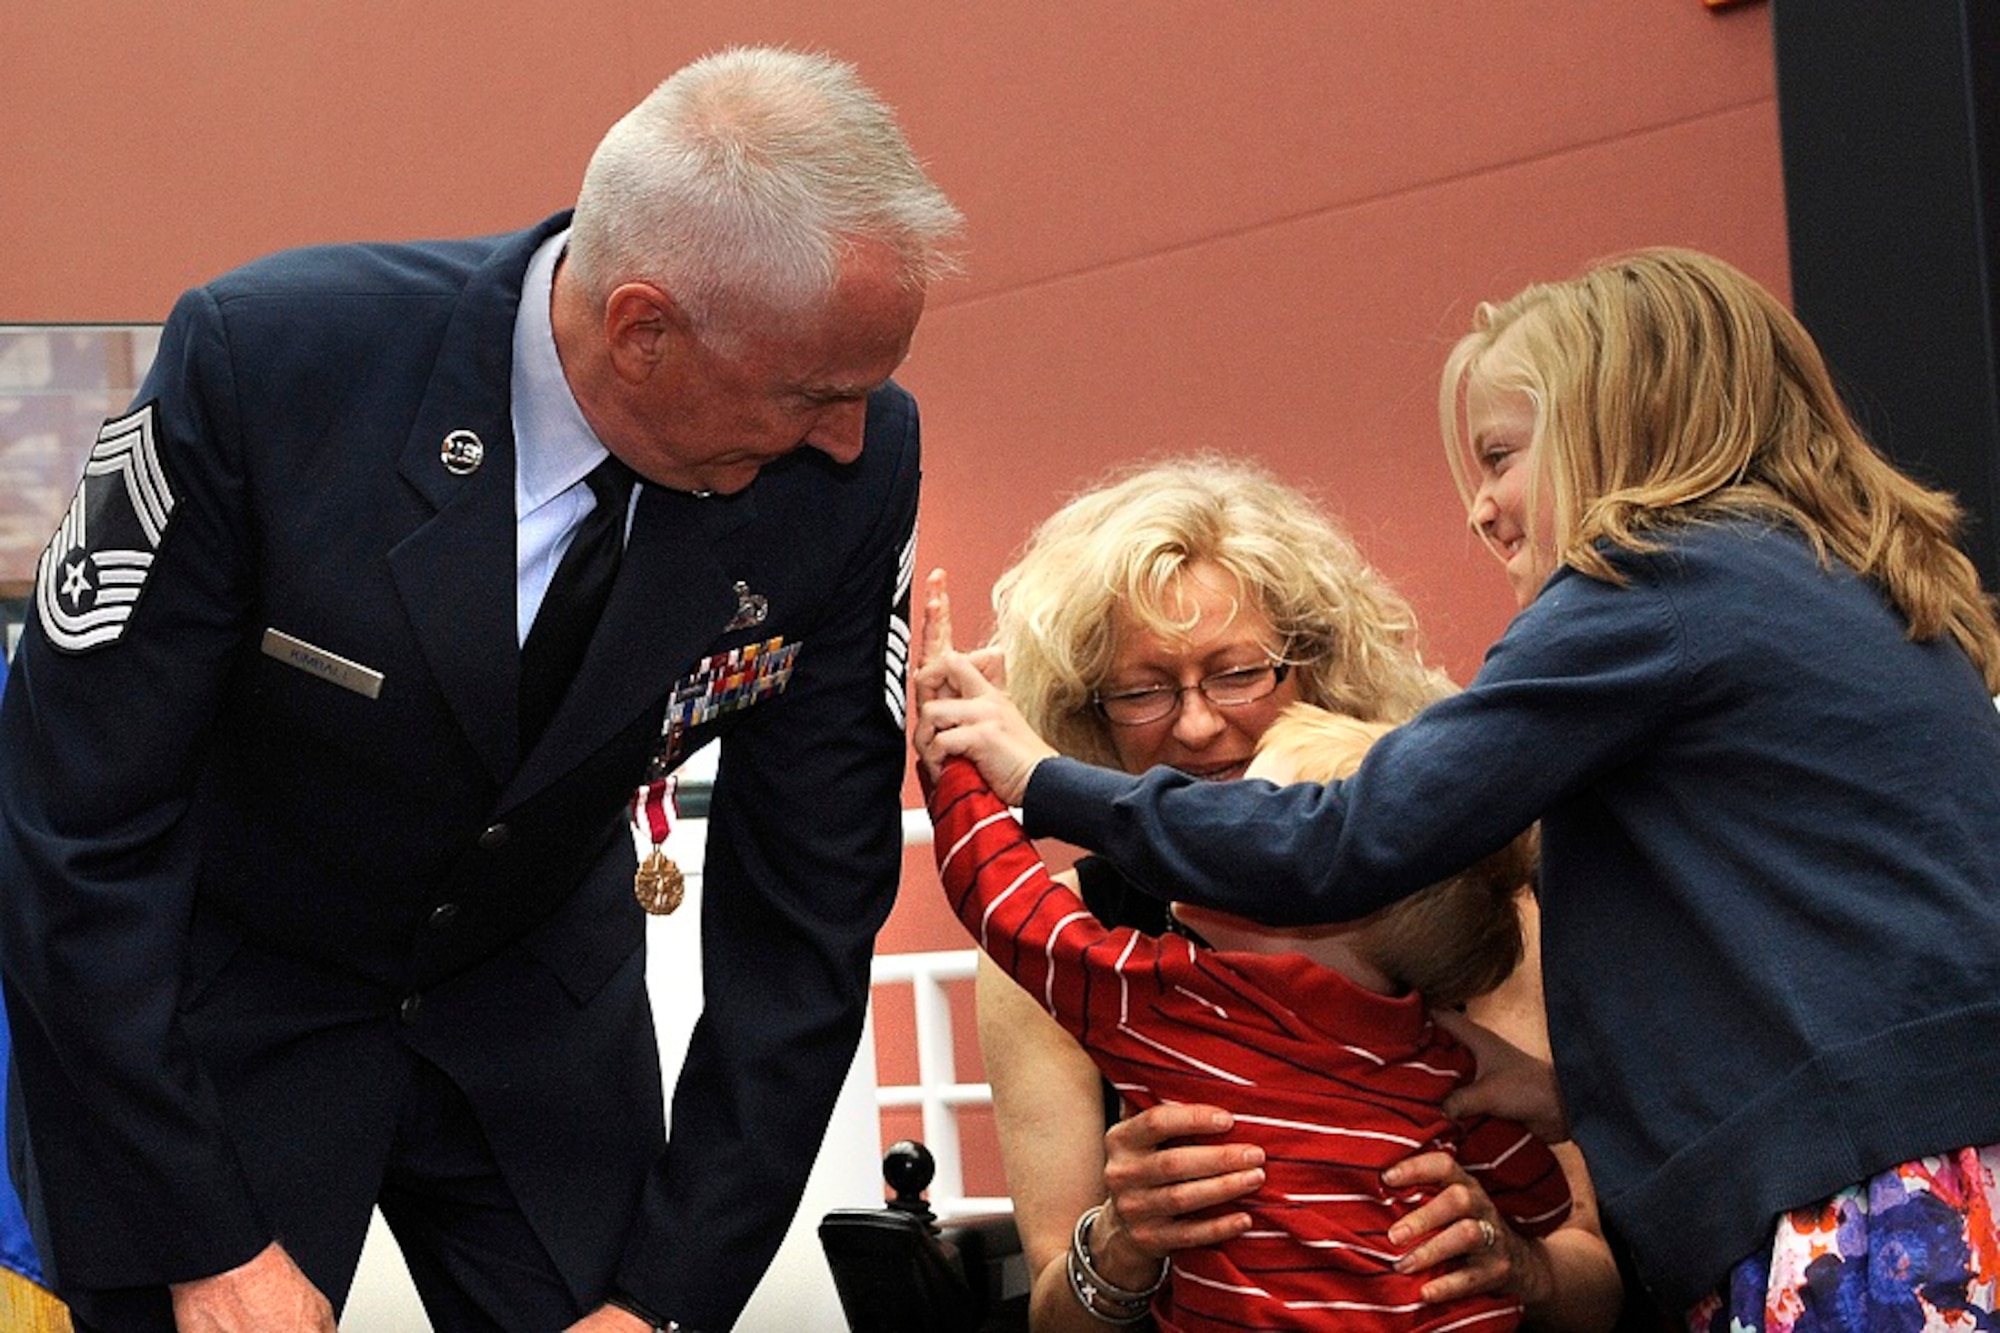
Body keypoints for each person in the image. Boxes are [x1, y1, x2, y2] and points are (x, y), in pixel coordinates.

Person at [0, 46, 959, 1333]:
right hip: (220, 1024)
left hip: (538, 1017)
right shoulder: (270, 367)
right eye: (814, 395)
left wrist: (666, 1296)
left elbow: (808, 912)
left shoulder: (854, 465)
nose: (847, 435)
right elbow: (75, 827)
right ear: (643, 328)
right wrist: (206, 1242)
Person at [917, 250, 2000, 1330]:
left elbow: (1346, 840)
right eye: (1142, 692)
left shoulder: (1653, 585)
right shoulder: (1833, 587)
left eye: (1496, 457)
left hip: (1867, 1202)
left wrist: (1019, 772)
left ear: (1609, 425)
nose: (1479, 508)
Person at [928, 458, 1624, 1332]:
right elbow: (1057, 1317)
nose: (1196, 723)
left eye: (1237, 673)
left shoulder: (1448, 885)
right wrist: (1122, 1240)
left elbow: (1594, 1278)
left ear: (1314, 670)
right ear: (1089, 714)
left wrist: (1519, 1263)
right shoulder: (1079, 932)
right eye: (1142, 690)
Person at [923, 698, 1571, 1331]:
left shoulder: (1174, 1003)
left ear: (1328, 895)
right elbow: (1542, 1196)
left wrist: (955, 756)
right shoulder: (1440, 1052)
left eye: (1247, 824)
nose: (1202, 825)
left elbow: (1003, 902)